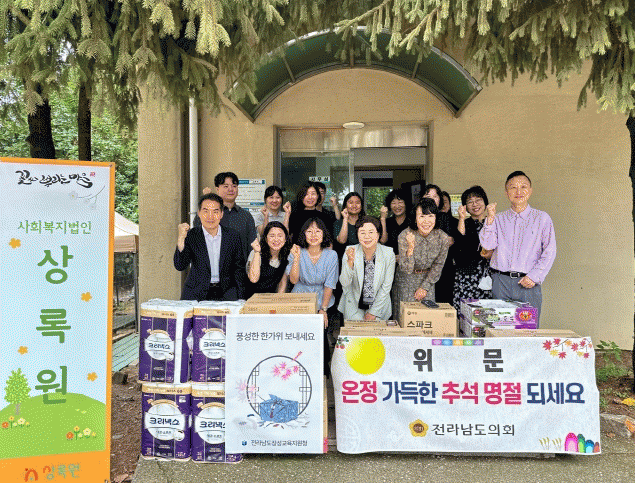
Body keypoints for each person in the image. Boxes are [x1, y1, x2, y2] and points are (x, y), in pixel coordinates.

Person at [479, 171, 556, 324]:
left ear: (530, 191)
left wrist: (534, 276)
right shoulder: (498, 218)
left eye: (523, 187)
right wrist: (490, 220)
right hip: (501, 281)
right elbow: (487, 245)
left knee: (527, 329)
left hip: (528, 283)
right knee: (500, 329)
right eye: (513, 187)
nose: (518, 191)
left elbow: (550, 251)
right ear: (506, 193)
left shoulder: (542, 218)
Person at [286, 217, 339, 375]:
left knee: (320, 337)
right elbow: (293, 280)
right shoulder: (296, 252)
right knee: (300, 338)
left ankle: (322, 373)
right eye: (309, 231)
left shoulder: (331, 255)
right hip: (299, 299)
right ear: (304, 234)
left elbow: (330, 284)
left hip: (324, 299)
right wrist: (296, 258)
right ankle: (298, 369)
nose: (314, 235)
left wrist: (323, 309)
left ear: (324, 234)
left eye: (318, 231)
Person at [174, 193, 245, 301]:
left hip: (226, 294)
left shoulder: (233, 236)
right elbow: (180, 266)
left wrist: (241, 297)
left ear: (221, 214)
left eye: (215, 211)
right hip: (196, 293)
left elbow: (239, 269)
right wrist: (181, 239)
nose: (210, 216)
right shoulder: (191, 235)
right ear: (199, 213)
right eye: (206, 211)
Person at [394, 198, 451, 317]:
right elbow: (406, 268)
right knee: (404, 317)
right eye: (422, 216)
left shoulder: (442, 238)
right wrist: (410, 248)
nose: (426, 221)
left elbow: (438, 265)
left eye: (430, 216)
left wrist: (425, 287)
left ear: (436, 217)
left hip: (428, 280)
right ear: (415, 218)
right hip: (406, 281)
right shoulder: (405, 235)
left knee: (426, 317)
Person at [339, 216, 396, 321]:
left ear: (378, 234)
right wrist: (350, 263)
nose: (367, 236)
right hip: (354, 304)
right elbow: (344, 283)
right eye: (362, 232)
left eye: (371, 232)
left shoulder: (388, 253)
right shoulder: (350, 250)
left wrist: (373, 312)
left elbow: (386, 286)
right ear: (357, 234)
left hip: (379, 306)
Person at [197, 172, 257, 262]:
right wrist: (208, 201)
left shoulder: (246, 216)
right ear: (217, 189)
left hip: (239, 268)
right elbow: (198, 230)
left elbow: (252, 246)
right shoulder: (210, 214)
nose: (231, 189)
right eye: (226, 186)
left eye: (234, 186)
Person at [452, 186, 493, 311]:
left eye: (478, 200)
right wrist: (461, 218)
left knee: (487, 313)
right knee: (465, 313)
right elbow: (459, 243)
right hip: (466, 276)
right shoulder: (463, 223)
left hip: (488, 275)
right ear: (465, 206)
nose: (475, 204)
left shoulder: (493, 223)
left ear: (485, 201)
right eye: (470, 202)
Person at [422, 184, 458, 305]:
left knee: (442, 303)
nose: (431, 199)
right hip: (421, 269)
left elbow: (449, 241)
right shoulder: (416, 216)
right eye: (428, 195)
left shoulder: (444, 217)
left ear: (440, 200)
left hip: (443, 268)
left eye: (435, 196)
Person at [247, 221, 291, 295]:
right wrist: (257, 252)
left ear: (285, 238)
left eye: (280, 236)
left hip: (271, 298)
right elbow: (253, 279)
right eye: (272, 236)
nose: (276, 239)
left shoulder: (286, 256)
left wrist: (278, 299)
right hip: (252, 296)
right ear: (266, 238)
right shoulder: (256, 252)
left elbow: (282, 283)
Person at [379, 188, 411, 254]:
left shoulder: (412, 221)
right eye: (393, 203)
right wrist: (383, 219)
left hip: (409, 259)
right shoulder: (387, 222)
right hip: (390, 258)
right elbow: (383, 241)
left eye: (400, 202)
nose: (397, 206)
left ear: (406, 204)